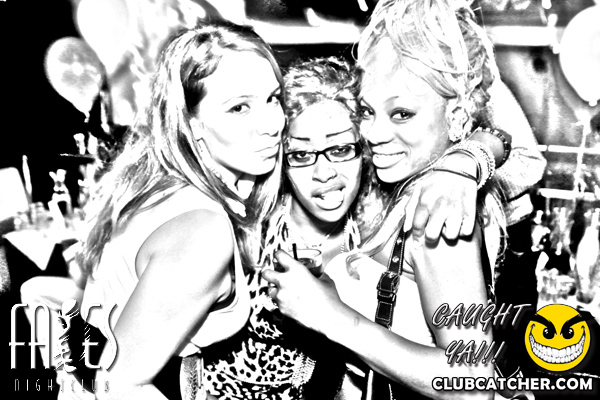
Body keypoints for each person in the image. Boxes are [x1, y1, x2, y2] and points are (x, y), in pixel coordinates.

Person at [263, 1, 510, 399]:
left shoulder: (437, 212)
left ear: (457, 115)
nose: (374, 134)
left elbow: (472, 384)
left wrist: (332, 317)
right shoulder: (415, 187)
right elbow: (499, 138)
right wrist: (473, 155)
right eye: (367, 111)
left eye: (401, 114)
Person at [72, 20, 286, 400]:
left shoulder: (164, 188)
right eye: (239, 108)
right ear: (192, 124)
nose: (272, 124)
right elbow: (116, 385)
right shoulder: (203, 232)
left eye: (273, 99)